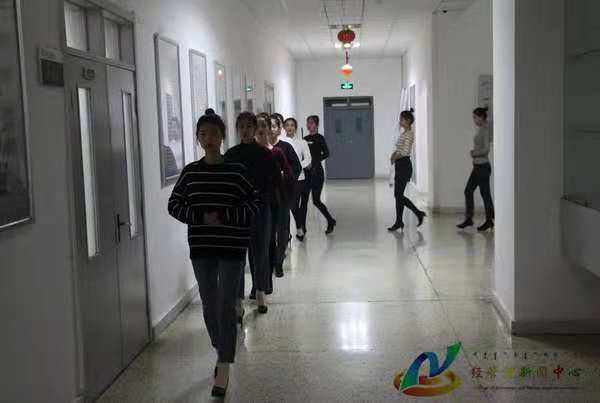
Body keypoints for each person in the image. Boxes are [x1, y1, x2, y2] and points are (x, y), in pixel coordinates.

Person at [167, 109, 259, 398]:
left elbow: (254, 204)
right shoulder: (191, 173)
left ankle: (224, 365)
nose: (209, 139)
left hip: (231, 247)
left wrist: (227, 216)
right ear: (198, 138)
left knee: (226, 303)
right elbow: (174, 205)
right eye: (203, 134)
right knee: (209, 304)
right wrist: (199, 217)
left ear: (222, 137)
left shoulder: (237, 171)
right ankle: (221, 348)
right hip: (202, 247)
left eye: (214, 134)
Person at [225, 112, 279, 315]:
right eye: (241, 127)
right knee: (238, 255)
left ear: (255, 129)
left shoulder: (265, 154)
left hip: (260, 209)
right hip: (237, 211)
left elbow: (275, 180)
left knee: (260, 252)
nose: (245, 130)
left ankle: (260, 291)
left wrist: (263, 196)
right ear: (237, 130)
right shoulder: (231, 155)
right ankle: (238, 300)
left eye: (249, 126)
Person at [267, 114, 300, 277]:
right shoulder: (261, 149)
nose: (271, 129)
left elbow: (296, 168)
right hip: (266, 199)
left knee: (282, 231)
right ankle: (270, 260)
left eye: (274, 126)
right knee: (268, 232)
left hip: (282, 197)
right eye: (268, 126)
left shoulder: (285, 147)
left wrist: (285, 177)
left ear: (279, 129)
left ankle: (279, 262)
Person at [388, 109, 426, 231]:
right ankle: (399, 221)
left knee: (398, 195)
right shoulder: (404, 133)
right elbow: (399, 149)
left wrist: (395, 157)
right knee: (398, 195)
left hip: (404, 166)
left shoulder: (409, 134)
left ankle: (417, 213)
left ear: (408, 121)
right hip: (400, 165)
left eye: (402, 119)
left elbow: (404, 152)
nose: (400, 121)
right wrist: (394, 154)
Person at [457, 107, 495, 231]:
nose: (474, 120)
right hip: (478, 167)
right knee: (469, 190)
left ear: (481, 117)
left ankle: (489, 220)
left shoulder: (485, 129)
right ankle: (469, 219)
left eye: (475, 117)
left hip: (483, 167)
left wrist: (474, 153)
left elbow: (486, 149)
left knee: (485, 194)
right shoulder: (481, 129)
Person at [302, 115, 337, 235]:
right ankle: (302, 228)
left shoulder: (320, 138)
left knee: (316, 201)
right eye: (308, 123)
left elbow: (326, 153)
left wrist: (314, 161)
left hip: (317, 173)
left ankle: (330, 220)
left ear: (316, 125)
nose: (309, 125)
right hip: (306, 174)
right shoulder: (304, 139)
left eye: (311, 123)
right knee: (304, 202)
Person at [281, 117, 312, 241]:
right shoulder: (281, 142)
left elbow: (308, 159)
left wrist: (296, 167)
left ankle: (299, 227)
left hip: (299, 178)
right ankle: (286, 233)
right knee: (285, 207)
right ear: (284, 127)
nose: (290, 127)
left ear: (296, 128)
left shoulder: (302, 142)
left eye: (292, 125)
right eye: (287, 125)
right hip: (284, 179)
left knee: (293, 205)